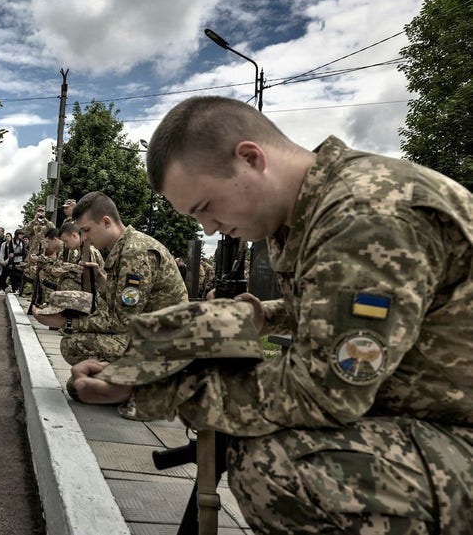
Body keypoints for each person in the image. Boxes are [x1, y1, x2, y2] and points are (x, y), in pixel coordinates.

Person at [74, 95, 473, 534]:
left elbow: (323, 390)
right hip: (430, 415)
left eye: (206, 207)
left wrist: (144, 389)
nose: (208, 229)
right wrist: (264, 315)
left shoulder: (367, 214)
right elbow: (352, 308)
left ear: (250, 158)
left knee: (279, 465)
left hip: (456, 432)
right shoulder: (306, 212)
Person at [33, 191, 187, 365]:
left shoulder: (134, 252)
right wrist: (99, 279)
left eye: (86, 230)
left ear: (106, 222)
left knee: (72, 347)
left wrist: (67, 322)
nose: (84, 238)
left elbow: (123, 322)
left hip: (162, 344)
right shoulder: (125, 247)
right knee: (82, 381)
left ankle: (143, 385)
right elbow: (122, 301)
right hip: (149, 332)